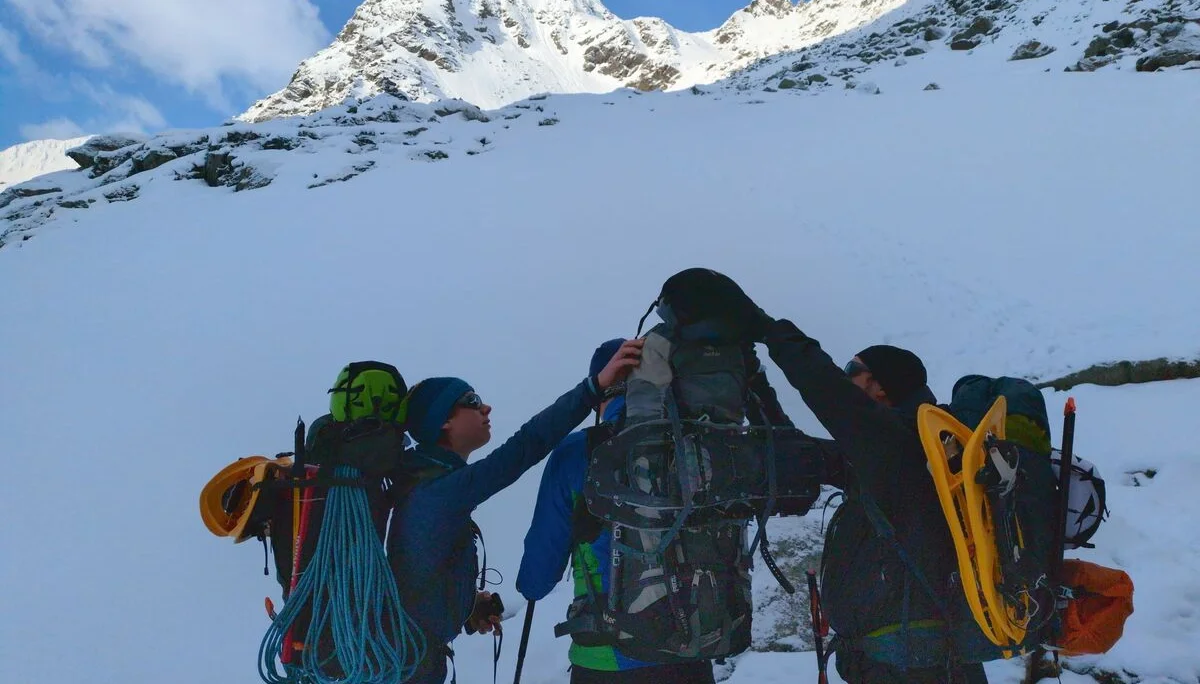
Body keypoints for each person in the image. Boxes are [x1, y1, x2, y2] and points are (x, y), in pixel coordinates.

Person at [667, 268, 987, 684]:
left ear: (878, 386)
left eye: (852, 368)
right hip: (913, 663)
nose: (844, 373)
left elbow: (828, 391)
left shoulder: (906, 446)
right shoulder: (891, 456)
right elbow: (798, 453)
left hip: (915, 668)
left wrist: (767, 329)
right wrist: (756, 386)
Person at [387, 337, 644, 684]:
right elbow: (524, 446)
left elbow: (413, 578)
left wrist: (465, 606)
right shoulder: (436, 492)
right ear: (443, 421)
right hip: (405, 669)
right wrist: (593, 388)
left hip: (404, 662)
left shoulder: (424, 486)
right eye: (472, 401)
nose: (485, 408)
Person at [514, 339, 717, 684]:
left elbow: (537, 579)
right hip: (690, 652)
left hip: (607, 658)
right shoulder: (696, 448)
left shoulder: (577, 452)